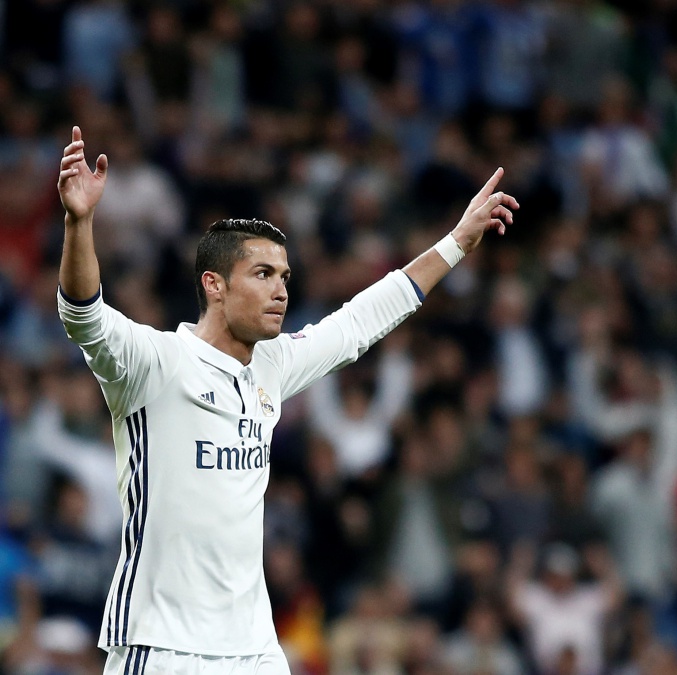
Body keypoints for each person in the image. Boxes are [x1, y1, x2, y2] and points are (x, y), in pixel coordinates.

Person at [54, 126, 519, 675]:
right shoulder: (153, 363)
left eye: (285, 277)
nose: (281, 290)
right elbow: (83, 314)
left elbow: (361, 320)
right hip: (160, 646)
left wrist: (457, 242)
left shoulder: (272, 365)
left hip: (253, 648)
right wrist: (79, 223)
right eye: (263, 274)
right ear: (214, 285)